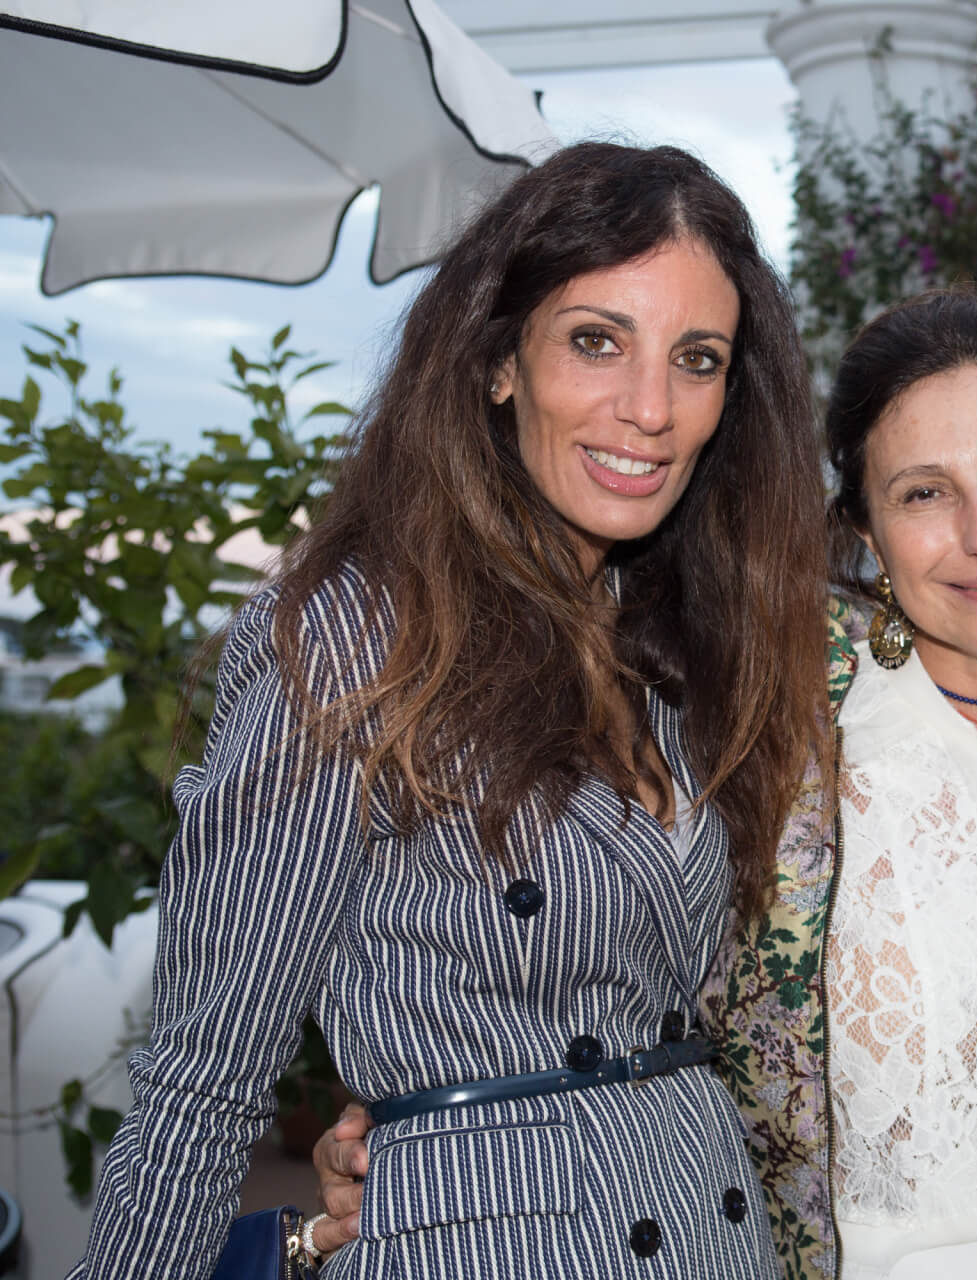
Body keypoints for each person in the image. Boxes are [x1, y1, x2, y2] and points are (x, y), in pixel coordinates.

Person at [315, 289, 977, 1279]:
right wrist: (440, 1124)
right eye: (925, 492)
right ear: (862, 526)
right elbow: (557, 965)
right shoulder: (751, 730)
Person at [75, 141, 827, 1279]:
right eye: (595, 340)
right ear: (497, 362)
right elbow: (205, 1072)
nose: (649, 408)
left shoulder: (683, 645)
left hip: (709, 1231)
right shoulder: (354, 637)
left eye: (699, 358)